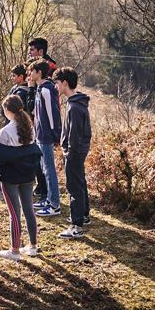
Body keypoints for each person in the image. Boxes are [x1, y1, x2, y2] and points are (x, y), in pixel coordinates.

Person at [0, 95, 43, 260]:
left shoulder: (4, 132)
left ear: (7, 111)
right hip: (28, 175)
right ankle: (33, 246)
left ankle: (14, 250)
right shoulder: (31, 127)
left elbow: (0, 157)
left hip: (11, 178)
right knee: (29, 209)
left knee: (14, 213)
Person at [55, 67, 92, 238]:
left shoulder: (75, 107)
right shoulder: (75, 103)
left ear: (65, 83)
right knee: (80, 182)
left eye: (57, 83)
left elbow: (75, 135)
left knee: (74, 187)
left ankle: (76, 226)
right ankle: (84, 215)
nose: (56, 86)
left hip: (74, 152)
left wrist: (69, 153)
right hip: (76, 151)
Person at [29, 60, 62, 218]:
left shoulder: (47, 89)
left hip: (47, 136)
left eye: (32, 71)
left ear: (39, 72)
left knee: (49, 170)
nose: (30, 74)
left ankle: (55, 204)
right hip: (40, 135)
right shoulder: (39, 88)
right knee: (44, 169)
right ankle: (48, 199)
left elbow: (52, 114)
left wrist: (55, 134)